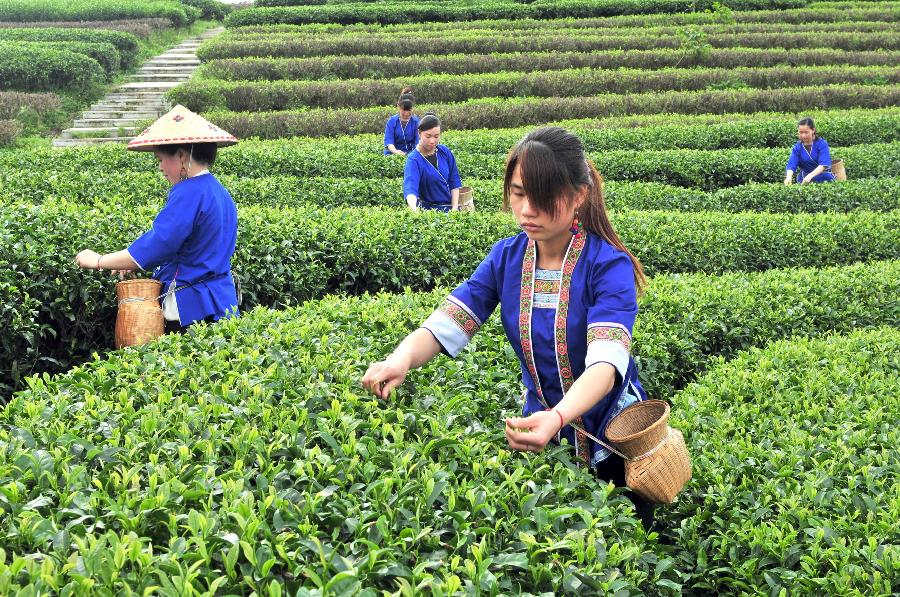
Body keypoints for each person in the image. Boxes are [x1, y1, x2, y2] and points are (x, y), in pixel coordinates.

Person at [364, 126, 655, 526]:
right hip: (540, 434)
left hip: (613, 439)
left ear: (579, 196)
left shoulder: (607, 266)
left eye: (542, 195)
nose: (527, 209)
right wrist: (400, 360)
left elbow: (605, 367)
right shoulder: (507, 257)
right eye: (518, 193)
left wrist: (558, 416)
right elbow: (452, 319)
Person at [74, 104, 240, 334]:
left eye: (161, 159)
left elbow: (158, 244)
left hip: (191, 308)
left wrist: (99, 260)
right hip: (220, 302)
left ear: (182, 156)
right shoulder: (219, 190)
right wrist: (122, 261)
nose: (161, 168)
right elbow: (185, 245)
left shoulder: (189, 191)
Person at [403, 112, 462, 212]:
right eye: (428, 136)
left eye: (436, 136)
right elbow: (410, 188)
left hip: (450, 209)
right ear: (419, 134)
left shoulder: (444, 152)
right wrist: (414, 209)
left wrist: (455, 208)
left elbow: (454, 181)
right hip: (429, 212)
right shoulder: (414, 160)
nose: (432, 141)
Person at [784, 117, 835, 185]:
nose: (803, 136)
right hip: (804, 178)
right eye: (801, 132)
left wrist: (810, 176)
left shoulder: (822, 144)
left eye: (806, 132)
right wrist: (788, 177)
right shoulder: (797, 147)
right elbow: (791, 164)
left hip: (823, 178)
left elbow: (823, 164)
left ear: (813, 130)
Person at [384, 87, 419, 156]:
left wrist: (412, 154)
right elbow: (389, 141)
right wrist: (396, 152)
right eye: (403, 110)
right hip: (393, 155)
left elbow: (418, 142)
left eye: (409, 110)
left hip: (411, 154)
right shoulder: (392, 121)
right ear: (398, 106)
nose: (406, 113)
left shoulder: (416, 122)